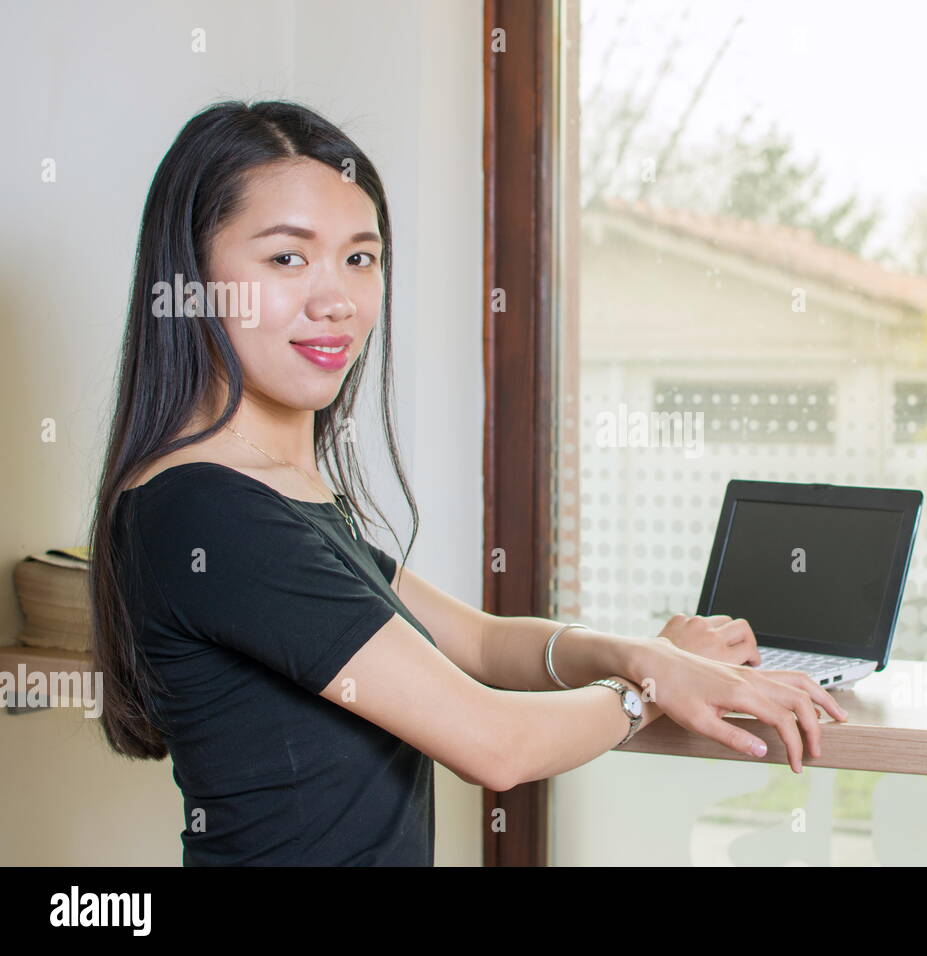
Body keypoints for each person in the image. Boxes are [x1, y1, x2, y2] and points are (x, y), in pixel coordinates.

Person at [88, 99, 848, 866]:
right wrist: (649, 688)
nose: (338, 300)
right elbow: (495, 744)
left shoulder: (274, 494)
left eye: (361, 257)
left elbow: (481, 644)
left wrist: (643, 653)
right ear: (191, 276)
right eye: (287, 258)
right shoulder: (205, 512)